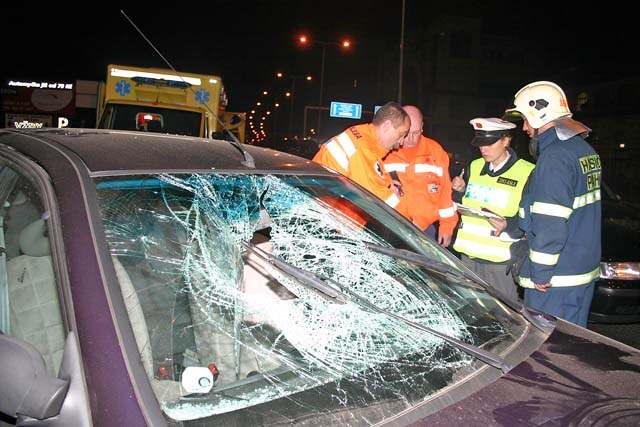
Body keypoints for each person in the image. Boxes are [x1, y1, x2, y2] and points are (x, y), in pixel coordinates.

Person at [506, 81, 601, 327]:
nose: (524, 128)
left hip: (555, 283)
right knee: (571, 346)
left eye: (526, 120)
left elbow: (550, 221)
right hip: (579, 273)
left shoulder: (555, 158)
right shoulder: (583, 150)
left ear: (540, 115)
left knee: (546, 354)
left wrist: (541, 272)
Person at [452, 118, 535, 302]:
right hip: (468, 260)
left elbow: (533, 218)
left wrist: (508, 224)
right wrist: (458, 192)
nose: (484, 149)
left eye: (490, 143)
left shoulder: (527, 172)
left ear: (506, 140)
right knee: (469, 314)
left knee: (506, 320)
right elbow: (465, 204)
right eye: (481, 144)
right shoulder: (474, 167)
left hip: (500, 264)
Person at [312, 102, 410, 210]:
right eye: (401, 134)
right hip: (328, 214)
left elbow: (373, 175)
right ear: (386, 126)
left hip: (328, 211)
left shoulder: (363, 137)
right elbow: (377, 200)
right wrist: (410, 223)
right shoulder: (363, 148)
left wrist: (389, 184)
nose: (401, 142)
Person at [384, 105, 458, 246]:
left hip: (424, 232)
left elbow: (445, 193)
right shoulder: (386, 149)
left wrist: (447, 226)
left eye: (416, 133)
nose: (411, 139)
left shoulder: (435, 152)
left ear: (422, 127)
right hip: (390, 228)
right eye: (407, 133)